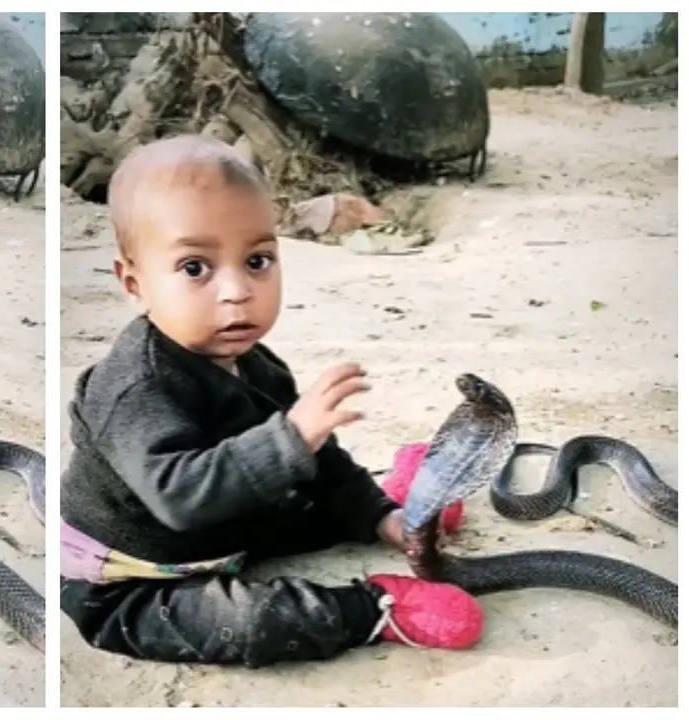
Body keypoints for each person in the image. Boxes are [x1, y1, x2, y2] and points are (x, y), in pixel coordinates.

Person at [59, 134, 482, 669]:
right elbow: (180, 497)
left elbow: (316, 459)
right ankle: (372, 607)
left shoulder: (256, 361)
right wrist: (291, 437)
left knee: (308, 482)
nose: (237, 290)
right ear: (134, 283)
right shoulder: (134, 387)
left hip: (231, 531)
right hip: (131, 579)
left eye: (257, 260)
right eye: (196, 268)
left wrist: (379, 518)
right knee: (249, 623)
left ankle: (394, 506)